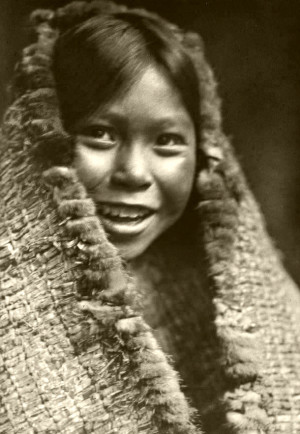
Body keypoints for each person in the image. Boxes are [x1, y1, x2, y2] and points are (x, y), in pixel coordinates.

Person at [1, 2, 300, 433]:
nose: (135, 173)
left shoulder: (256, 306)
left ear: (204, 153)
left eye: (167, 141)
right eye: (100, 133)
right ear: (42, 133)